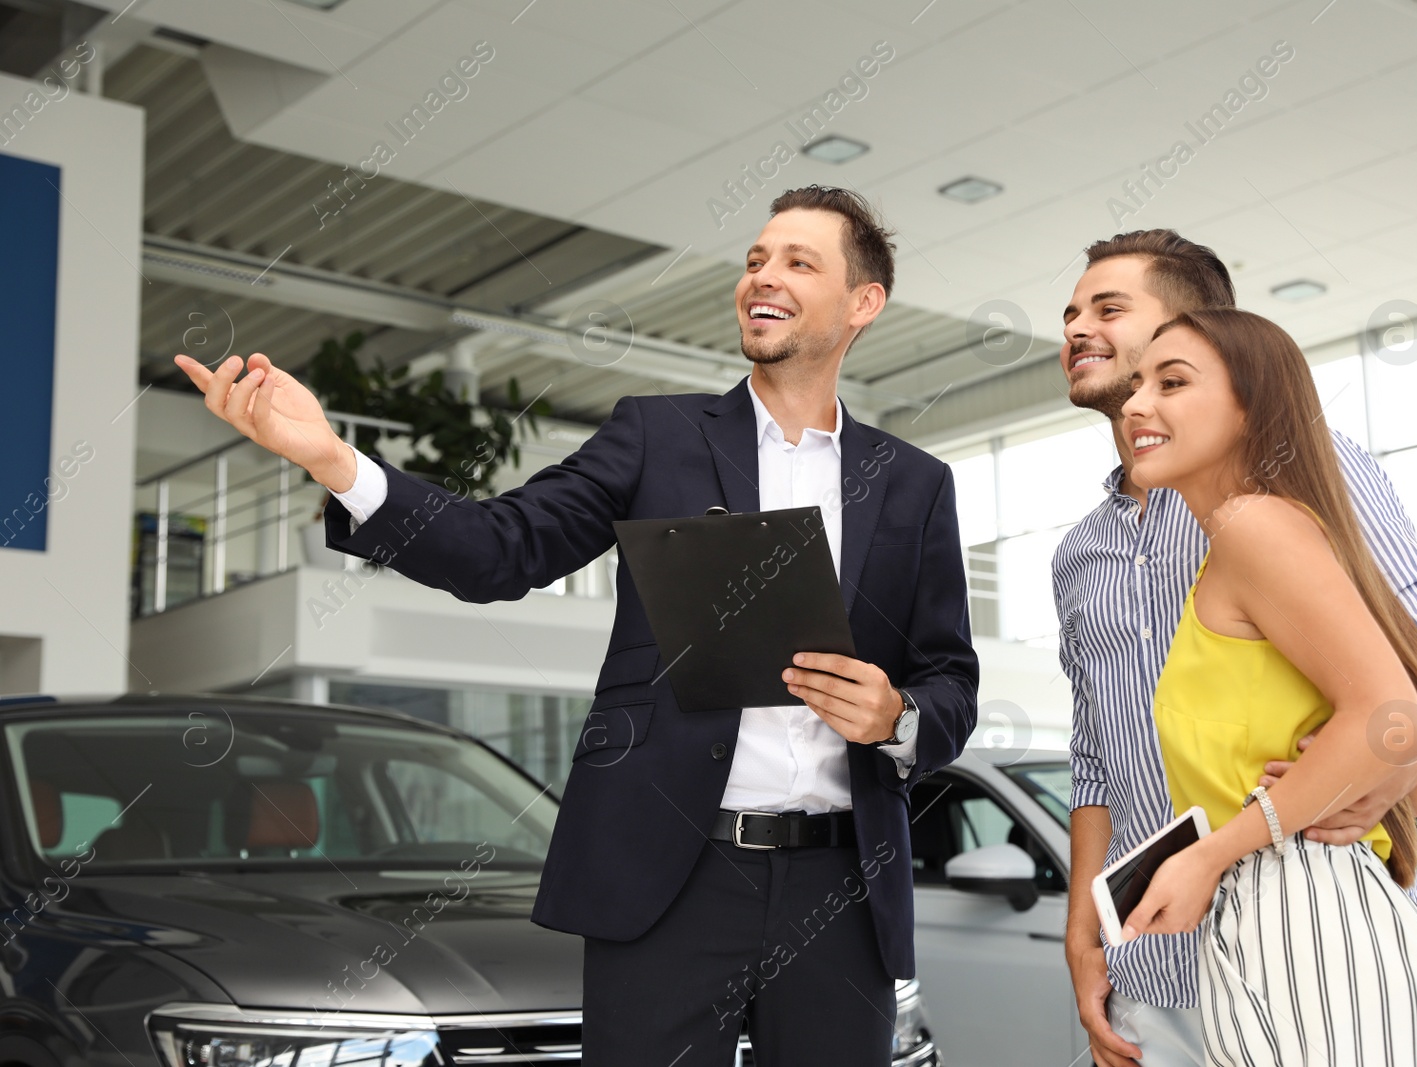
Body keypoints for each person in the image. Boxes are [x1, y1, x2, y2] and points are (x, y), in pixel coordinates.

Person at [173, 185, 979, 1066]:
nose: (763, 277)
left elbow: (951, 681)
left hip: (842, 892)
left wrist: (896, 715)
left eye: (798, 261)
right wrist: (335, 460)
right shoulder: (655, 435)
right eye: (755, 259)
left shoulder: (914, 484)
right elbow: (497, 550)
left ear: (864, 302)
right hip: (669, 879)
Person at [1052, 231, 1417, 1066]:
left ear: (1198, 328)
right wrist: (1086, 927)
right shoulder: (1079, 553)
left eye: (1110, 308)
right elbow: (1096, 758)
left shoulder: (1289, 481)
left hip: (1306, 918)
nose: (1077, 326)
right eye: (1070, 312)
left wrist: (1384, 774)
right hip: (1163, 949)